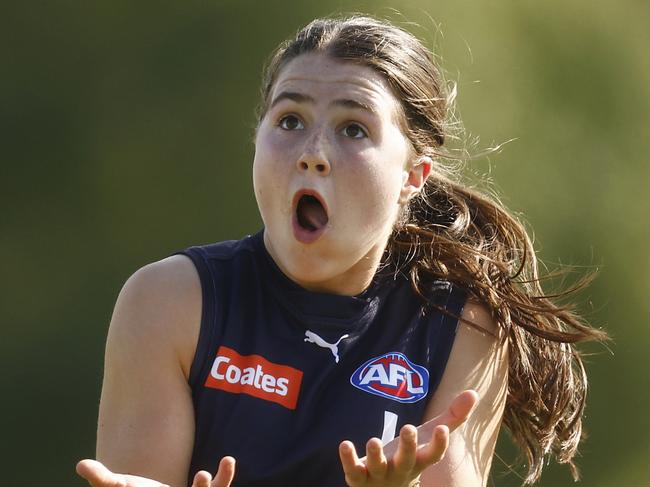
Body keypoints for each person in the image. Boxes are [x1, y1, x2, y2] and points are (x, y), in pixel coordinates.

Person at [76, 15, 607, 487]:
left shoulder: (462, 325)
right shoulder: (169, 301)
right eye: (289, 121)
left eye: (353, 129)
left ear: (412, 177)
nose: (313, 154)